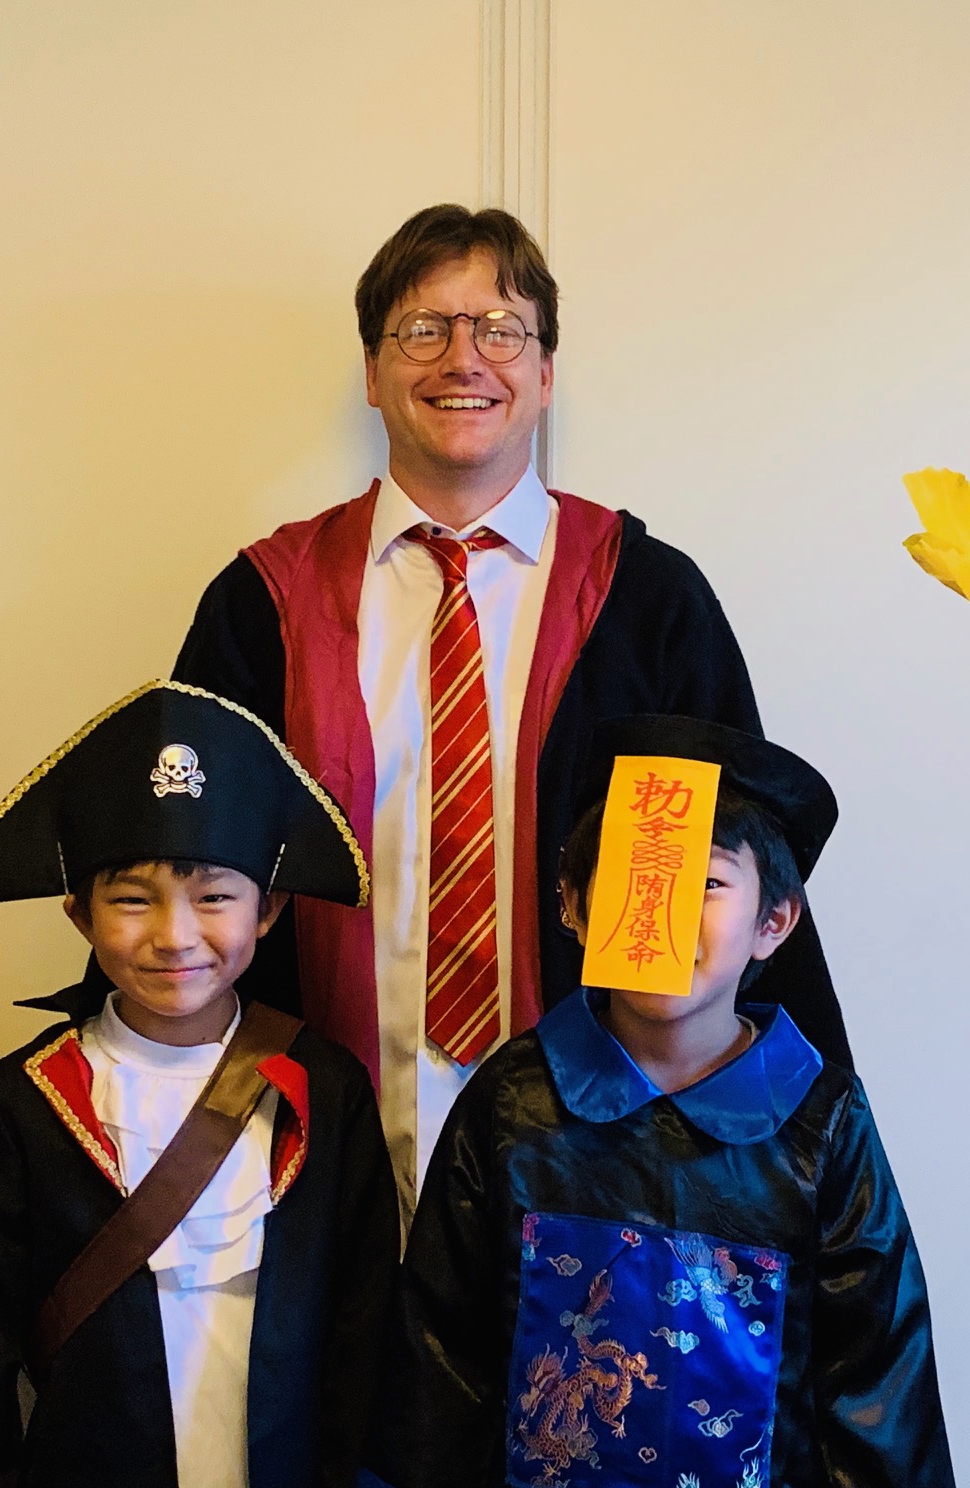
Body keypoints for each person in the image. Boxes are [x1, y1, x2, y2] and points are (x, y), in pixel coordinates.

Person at [173, 203, 848, 1211]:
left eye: (500, 330)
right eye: (423, 329)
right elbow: (181, 865)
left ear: (544, 372)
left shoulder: (647, 599)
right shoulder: (263, 603)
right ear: (371, 373)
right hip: (313, 1142)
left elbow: (730, 875)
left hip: (604, 1161)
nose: (463, 358)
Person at [355, 715, 959, 1488]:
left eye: (705, 883)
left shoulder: (822, 1124)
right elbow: (440, 1365)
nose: (662, 912)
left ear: (774, 921)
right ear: (573, 904)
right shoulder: (513, 1103)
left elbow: (875, 1385)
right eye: (632, 874)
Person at [0, 680, 399, 1488]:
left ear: (269, 909)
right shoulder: (27, 1097)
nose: (175, 937)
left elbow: (363, 1331)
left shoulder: (326, 1087)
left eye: (214, 897)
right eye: (133, 900)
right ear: (80, 915)